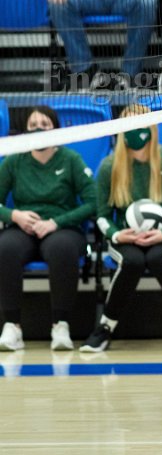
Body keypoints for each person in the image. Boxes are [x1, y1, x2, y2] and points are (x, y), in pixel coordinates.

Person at [80, 104, 162, 353]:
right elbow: (102, 216)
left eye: (140, 124)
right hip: (126, 237)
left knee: (158, 258)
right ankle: (104, 328)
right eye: (129, 125)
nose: (135, 131)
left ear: (152, 128)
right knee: (132, 261)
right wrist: (116, 234)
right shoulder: (109, 166)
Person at [0, 106, 96, 351]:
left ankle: (60, 325)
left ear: (56, 129)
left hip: (61, 226)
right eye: (33, 125)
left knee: (62, 247)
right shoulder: (14, 160)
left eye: (44, 124)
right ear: (25, 130)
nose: (38, 129)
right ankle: (12, 326)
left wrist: (57, 222)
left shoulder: (71, 159)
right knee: (5, 247)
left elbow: (94, 202)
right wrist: (14, 215)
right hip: (24, 227)